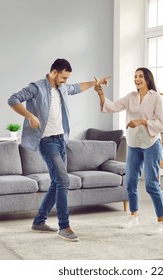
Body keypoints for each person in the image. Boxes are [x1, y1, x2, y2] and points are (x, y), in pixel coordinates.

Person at [8, 58, 108, 242]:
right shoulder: (36, 87)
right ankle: (64, 226)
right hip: (46, 142)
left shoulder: (62, 87)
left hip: (62, 140)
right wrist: (30, 116)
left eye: (67, 78)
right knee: (63, 180)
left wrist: (96, 83)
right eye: (63, 78)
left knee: (57, 183)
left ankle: (39, 221)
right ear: (54, 72)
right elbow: (13, 99)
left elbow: (77, 87)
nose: (65, 82)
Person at [94, 67, 163, 236]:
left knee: (151, 184)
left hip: (151, 144)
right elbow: (111, 107)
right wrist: (100, 93)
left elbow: (161, 125)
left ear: (147, 79)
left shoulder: (155, 97)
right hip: (134, 144)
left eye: (140, 76)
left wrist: (141, 121)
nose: (137, 79)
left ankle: (162, 222)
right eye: (135, 76)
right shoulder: (131, 97)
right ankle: (133, 216)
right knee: (130, 182)